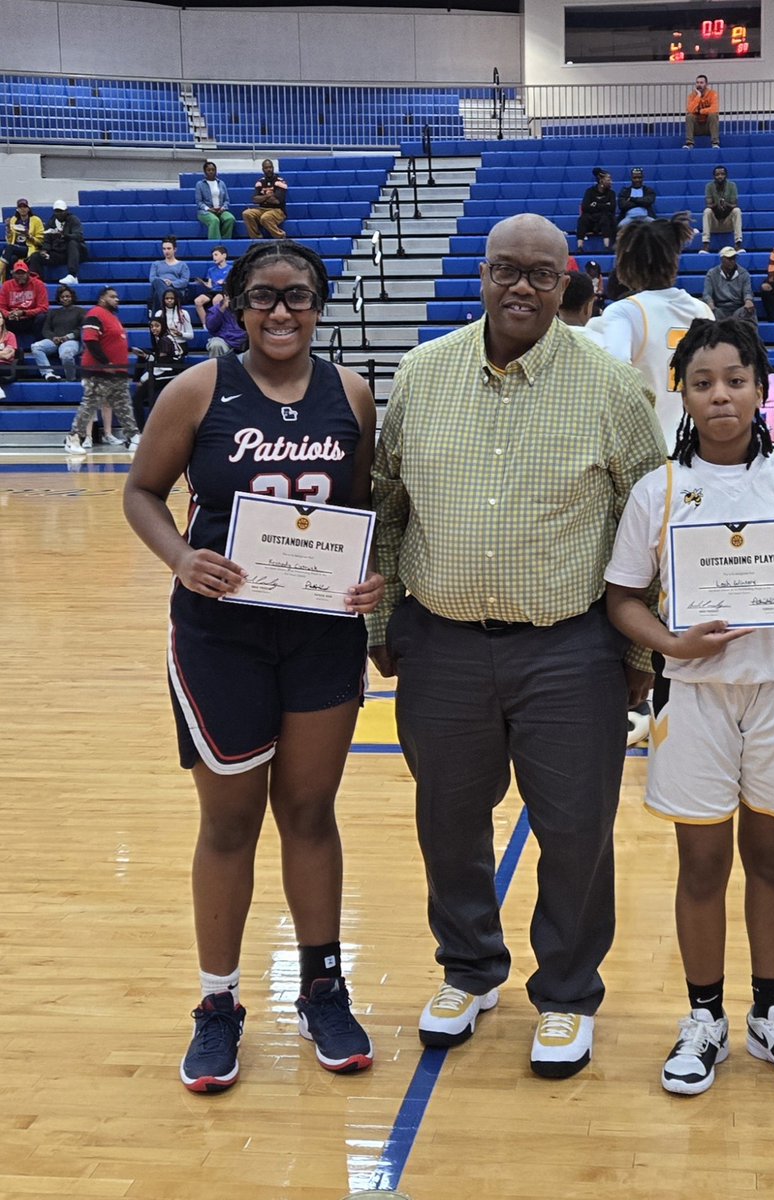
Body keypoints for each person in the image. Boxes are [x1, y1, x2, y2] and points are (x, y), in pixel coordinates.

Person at [369, 213, 666, 1081]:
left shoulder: (611, 388)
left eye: (541, 273)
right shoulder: (422, 376)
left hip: (569, 649)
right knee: (448, 824)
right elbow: (388, 506)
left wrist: (639, 655)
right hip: (442, 645)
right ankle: (468, 970)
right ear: (484, 273)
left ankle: (568, 992)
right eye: (507, 270)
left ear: (567, 280)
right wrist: (383, 627)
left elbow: (644, 523)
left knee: (576, 831)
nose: (522, 287)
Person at [122, 239, 384, 1093]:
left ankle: (322, 986)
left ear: (319, 303)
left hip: (318, 632)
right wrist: (178, 559)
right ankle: (217, 1003)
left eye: (298, 296)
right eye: (264, 296)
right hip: (221, 635)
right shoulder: (197, 390)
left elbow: (363, 507)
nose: (281, 311)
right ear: (236, 303)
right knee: (230, 823)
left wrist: (372, 573)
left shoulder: (350, 393)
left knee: (310, 811)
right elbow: (141, 491)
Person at [603, 317, 774, 1097]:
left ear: (760, 388)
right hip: (695, 701)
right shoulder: (658, 489)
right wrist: (671, 645)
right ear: (682, 392)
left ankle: (771, 1015)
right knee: (701, 864)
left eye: (734, 380)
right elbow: (621, 600)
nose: (719, 396)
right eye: (702, 382)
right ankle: (703, 1016)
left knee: (770, 857)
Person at [583, 211, 713, 448]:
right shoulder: (702, 310)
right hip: (697, 447)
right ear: (674, 258)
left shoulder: (624, 312)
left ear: (627, 262)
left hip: (647, 450)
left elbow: (613, 379)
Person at [63, 287, 140, 455]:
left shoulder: (113, 318)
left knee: (124, 405)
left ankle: (133, 436)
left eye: (117, 296)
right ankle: (73, 438)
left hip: (117, 371)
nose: (116, 299)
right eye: (112, 296)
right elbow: (90, 341)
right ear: (102, 299)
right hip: (99, 370)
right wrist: (106, 363)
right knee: (90, 405)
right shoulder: (95, 314)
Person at [131, 315, 186, 429]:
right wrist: (145, 355)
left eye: (157, 326)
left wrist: (143, 378)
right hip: (168, 370)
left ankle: (142, 430)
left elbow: (161, 365)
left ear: (163, 326)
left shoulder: (165, 340)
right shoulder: (165, 338)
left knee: (137, 399)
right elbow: (159, 360)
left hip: (170, 373)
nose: (154, 329)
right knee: (142, 353)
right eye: (151, 326)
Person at [30, 283, 85, 381]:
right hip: (55, 340)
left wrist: (68, 336)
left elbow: (82, 328)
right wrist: (53, 337)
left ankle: (70, 379)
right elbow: (46, 329)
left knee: (66, 354)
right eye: (62, 297)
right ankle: (48, 374)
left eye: (67, 296)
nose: (65, 299)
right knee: (36, 347)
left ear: (72, 297)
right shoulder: (53, 312)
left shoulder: (80, 311)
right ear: (59, 299)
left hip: (72, 341)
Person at [27, 200, 88, 287]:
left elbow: (78, 236)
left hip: (75, 253)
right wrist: (44, 250)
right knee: (35, 256)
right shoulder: (51, 223)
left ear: (66, 211)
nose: (59, 214)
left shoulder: (73, 220)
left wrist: (64, 236)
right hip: (59, 253)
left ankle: (72, 275)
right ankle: (37, 282)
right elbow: (47, 240)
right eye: (57, 211)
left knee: (72, 242)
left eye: (61, 211)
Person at [0, 260, 49, 349]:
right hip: (13, 319)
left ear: (28, 273)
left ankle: (39, 346)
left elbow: (43, 307)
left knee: (42, 317)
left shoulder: (38, 284)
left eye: (23, 273)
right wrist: (8, 314)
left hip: (31, 319)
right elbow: (1, 307)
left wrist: (24, 313)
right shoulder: (6, 285)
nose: (20, 276)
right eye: (17, 273)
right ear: (13, 275)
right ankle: (6, 347)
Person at [702, 246, 755, 323]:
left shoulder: (744, 273)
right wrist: (710, 303)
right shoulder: (712, 273)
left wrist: (748, 300)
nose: (732, 261)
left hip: (738, 307)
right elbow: (707, 294)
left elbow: (747, 292)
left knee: (749, 310)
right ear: (722, 259)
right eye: (729, 258)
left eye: (734, 258)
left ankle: (750, 335)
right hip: (719, 308)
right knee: (709, 311)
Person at [243, 159, 288, 240]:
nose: (268, 169)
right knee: (247, 213)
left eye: (270, 167)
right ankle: (257, 239)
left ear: (273, 168)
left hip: (278, 210)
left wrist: (262, 197)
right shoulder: (260, 182)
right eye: (266, 168)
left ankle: (281, 237)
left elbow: (277, 201)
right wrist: (267, 196)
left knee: (265, 217)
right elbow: (254, 199)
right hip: (262, 209)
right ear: (263, 169)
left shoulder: (280, 181)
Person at [701, 166, 743, 253]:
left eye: (722, 174)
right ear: (714, 176)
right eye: (717, 174)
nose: (720, 176)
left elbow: (734, 204)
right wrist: (718, 204)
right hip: (714, 223)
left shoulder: (732, 185)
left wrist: (725, 204)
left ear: (726, 175)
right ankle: (706, 244)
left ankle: (738, 244)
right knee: (707, 211)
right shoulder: (709, 186)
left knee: (737, 210)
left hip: (728, 223)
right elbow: (708, 204)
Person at [2, 199, 44, 280]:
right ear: (17, 209)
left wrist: (28, 236)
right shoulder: (13, 220)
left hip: (29, 248)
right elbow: (10, 241)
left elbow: (40, 241)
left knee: (10, 248)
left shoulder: (36, 220)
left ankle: (0, 268)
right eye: (20, 207)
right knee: (12, 258)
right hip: (16, 248)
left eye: (24, 207)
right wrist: (8, 229)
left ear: (28, 208)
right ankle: (8, 282)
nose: (23, 209)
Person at [576, 168, 616, 252]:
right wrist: (604, 205)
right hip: (591, 218)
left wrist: (595, 205)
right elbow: (585, 207)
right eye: (609, 180)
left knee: (606, 218)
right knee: (583, 219)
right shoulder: (590, 191)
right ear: (601, 181)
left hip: (604, 218)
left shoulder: (611, 193)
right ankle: (580, 247)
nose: (611, 182)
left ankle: (606, 246)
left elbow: (612, 208)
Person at [195, 161, 236, 240]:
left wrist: (223, 208)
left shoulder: (221, 183)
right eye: (209, 170)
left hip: (220, 210)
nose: (211, 172)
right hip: (205, 212)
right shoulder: (199, 184)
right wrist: (208, 209)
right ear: (205, 172)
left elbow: (227, 200)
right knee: (214, 220)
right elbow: (199, 202)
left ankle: (225, 242)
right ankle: (215, 244)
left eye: (213, 170)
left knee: (230, 218)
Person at [149, 237, 190, 314]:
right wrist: (163, 282)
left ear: (174, 249)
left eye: (168, 248)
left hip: (176, 292)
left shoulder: (182, 265)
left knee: (157, 295)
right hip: (159, 288)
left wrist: (171, 283)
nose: (166, 251)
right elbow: (152, 279)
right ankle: (168, 310)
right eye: (164, 249)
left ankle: (156, 319)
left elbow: (185, 281)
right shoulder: (156, 264)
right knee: (157, 282)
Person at [192, 244, 231, 315]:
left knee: (216, 300)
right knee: (197, 301)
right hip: (213, 291)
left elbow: (233, 283)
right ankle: (205, 324)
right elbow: (210, 286)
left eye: (216, 255)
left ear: (224, 255)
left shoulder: (231, 269)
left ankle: (217, 322)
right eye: (213, 255)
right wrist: (203, 283)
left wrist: (224, 282)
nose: (214, 257)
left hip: (224, 291)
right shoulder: (211, 270)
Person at [154, 288, 195, 353]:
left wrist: (181, 334)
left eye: (172, 298)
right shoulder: (159, 314)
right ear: (163, 300)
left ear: (176, 299)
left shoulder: (184, 313)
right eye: (167, 298)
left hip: (180, 344)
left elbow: (191, 335)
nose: (169, 300)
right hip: (164, 344)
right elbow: (155, 335)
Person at [685, 75, 720, 148]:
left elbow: (715, 109)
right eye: (697, 82)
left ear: (706, 84)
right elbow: (690, 110)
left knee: (713, 115)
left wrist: (700, 111)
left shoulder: (712, 94)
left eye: (701, 83)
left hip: (709, 127)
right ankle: (689, 144)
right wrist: (698, 96)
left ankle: (715, 143)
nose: (699, 85)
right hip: (696, 127)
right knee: (689, 116)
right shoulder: (692, 95)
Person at [0, 312, 16, 399]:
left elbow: (7, 355)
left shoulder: (10, 335)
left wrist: (4, 354)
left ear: (3, 320)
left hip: (5, 365)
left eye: (0, 317)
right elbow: (4, 353)